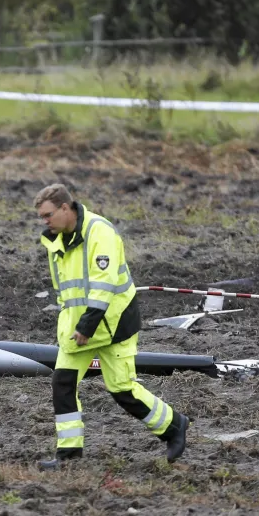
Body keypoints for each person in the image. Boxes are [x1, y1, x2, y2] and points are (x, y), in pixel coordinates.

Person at [33, 183, 189, 467]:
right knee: (63, 383)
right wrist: (77, 326)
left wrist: (87, 326)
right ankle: (68, 457)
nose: (44, 222)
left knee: (121, 389)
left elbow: (103, 287)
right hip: (79, 328)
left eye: (47, 215)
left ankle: (174, 425)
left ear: (65, 208)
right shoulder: (56, 239)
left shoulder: (100, 232)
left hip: (113, 323)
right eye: (42, 217)